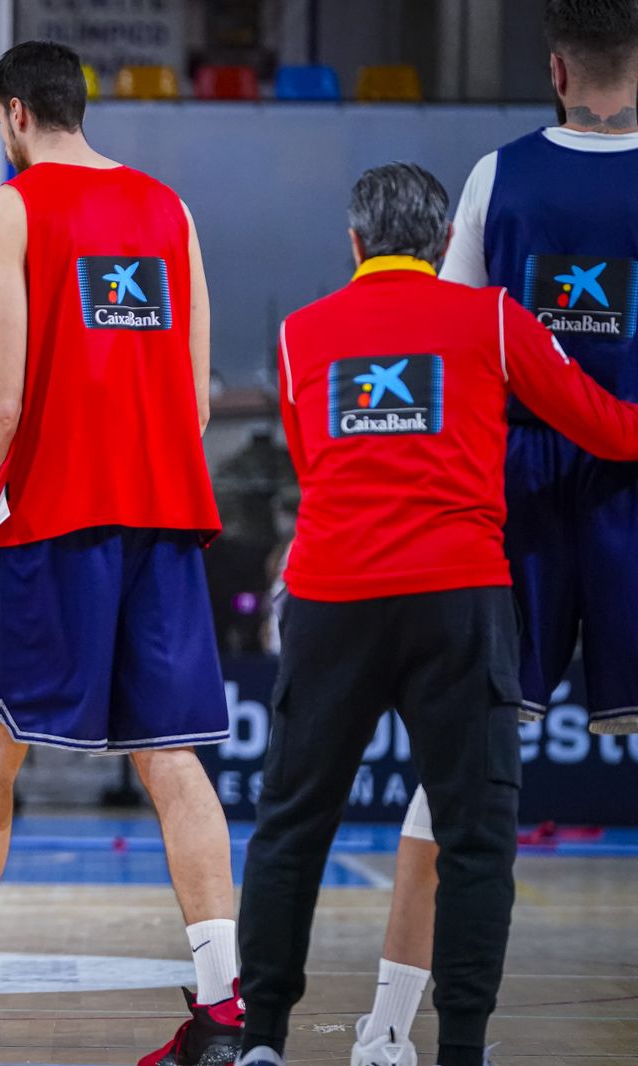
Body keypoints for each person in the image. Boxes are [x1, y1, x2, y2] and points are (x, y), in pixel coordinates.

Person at [0, 40, 241, 1066]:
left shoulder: (10, 209)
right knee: (174, 761)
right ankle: (222, 1013)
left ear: (15, 114)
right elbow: (194, 400)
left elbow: (0, 401)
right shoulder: (172, 210)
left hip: (49, 529)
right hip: (162, 523)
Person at [235, 162, 638, 1066]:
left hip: (333, 600)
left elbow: (311, 464)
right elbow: (605, 426)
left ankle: (262, 1039)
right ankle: (461, 1046)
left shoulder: (302, 336)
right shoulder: (494, 316)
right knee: (477, 833)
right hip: (460, 600)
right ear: (444, 243)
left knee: (293, 824)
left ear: (353, 244)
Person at [352, 7, 638, 1064]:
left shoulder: (493, 176)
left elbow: (445, 341)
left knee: (454, 768)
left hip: (512, 497)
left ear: (555, 69)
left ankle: (384, 1032)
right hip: (631, 484)